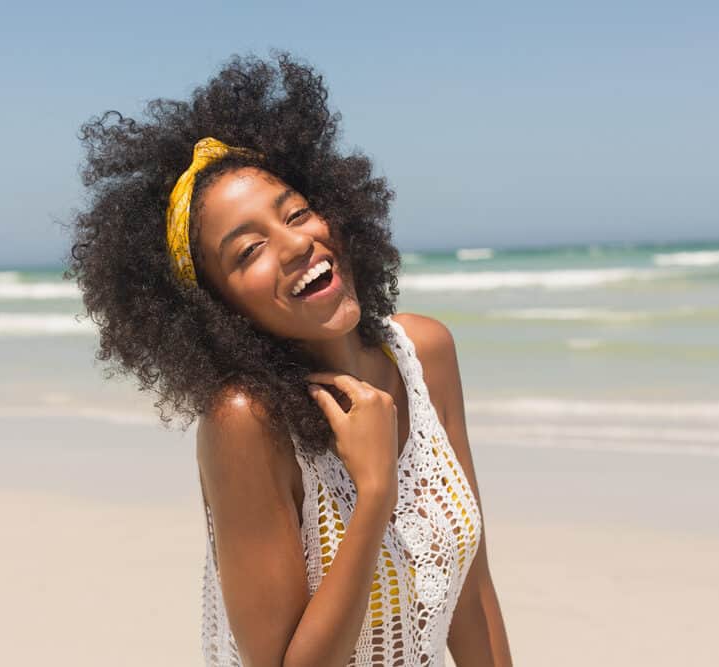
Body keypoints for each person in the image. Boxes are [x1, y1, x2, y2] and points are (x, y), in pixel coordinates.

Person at [65, 51, 512, 667]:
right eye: (249, 251)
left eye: (297, 212)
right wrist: (375, 487)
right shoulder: (246, 422)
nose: (299, 243)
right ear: (215, 309)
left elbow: (472, 593)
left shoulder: (425, 354)